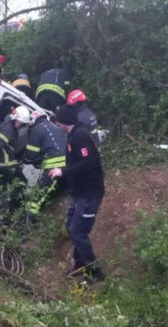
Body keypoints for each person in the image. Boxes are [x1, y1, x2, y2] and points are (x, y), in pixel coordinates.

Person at [49, 105, 106, 284]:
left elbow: (88, 163)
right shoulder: (74, 134)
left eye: (59, 122)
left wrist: (62, 172)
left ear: (66, 122)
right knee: (71, 226)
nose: (57, 125)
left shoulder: (80, 137)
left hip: (90, 192)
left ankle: (95, 271)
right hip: (79, 192)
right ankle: (80, 263)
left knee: (78, 231)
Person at [0, 105, 31, 183]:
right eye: (21, 123)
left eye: (23, 124)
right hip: (3, 163)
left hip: (6, 162)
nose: (22, 126)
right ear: (16, 119)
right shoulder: (9, 130)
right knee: (21, 182)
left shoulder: (9, 125)